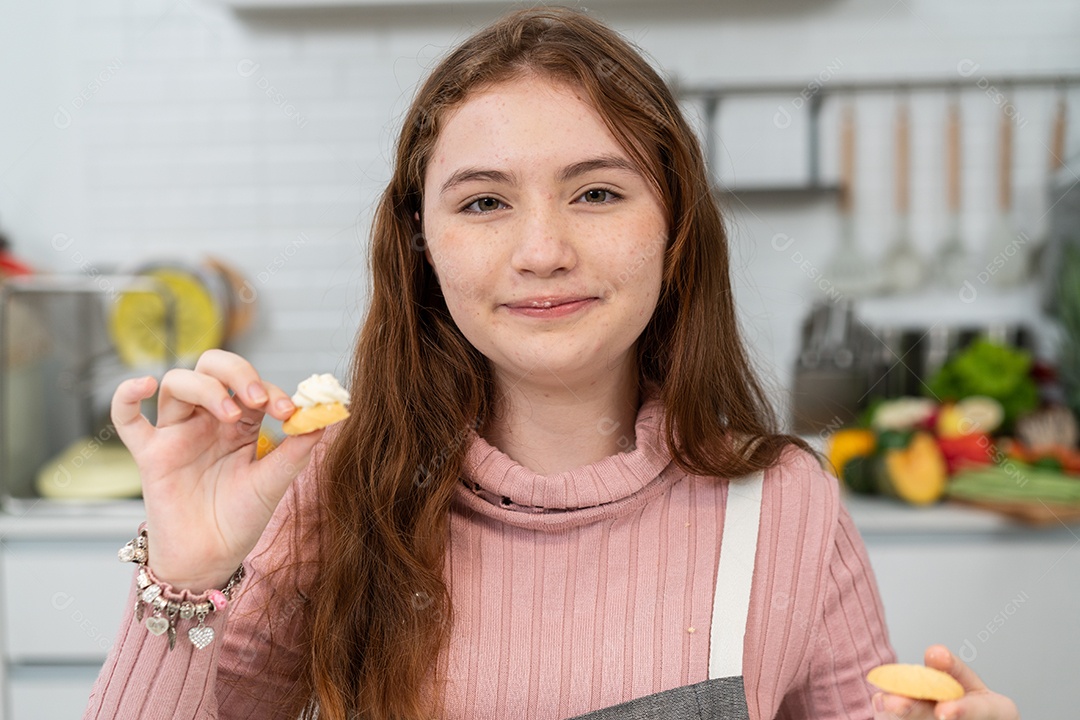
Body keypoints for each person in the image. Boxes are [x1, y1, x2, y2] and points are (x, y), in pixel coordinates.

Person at [84, 7, 1021, 720]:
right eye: (485, 203)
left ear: (674, 228)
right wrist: (185, 570)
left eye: (599, 192)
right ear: (422, 243)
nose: (543, 251)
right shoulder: (335, 489)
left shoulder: (783, 505)